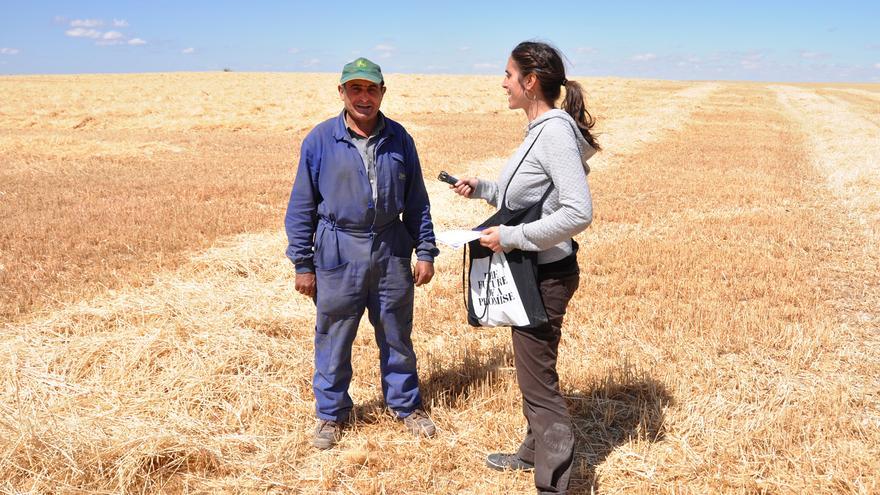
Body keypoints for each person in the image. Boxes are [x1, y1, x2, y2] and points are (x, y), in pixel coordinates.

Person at [451, 41, 599, 494]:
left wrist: (511, 237)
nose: (503, 82)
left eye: (509, 75)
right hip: (533, 271)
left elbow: (578, 212)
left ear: (530, 81)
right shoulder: (540, 130)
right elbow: (532, 199)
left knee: (539, 384)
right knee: (533, 371)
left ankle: (552, 485)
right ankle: (531, 453)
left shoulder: (552, 132)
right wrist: (483, 189)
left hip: (544, 274)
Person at [285, 57, 439, 450]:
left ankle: (406, 405)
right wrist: (303, 263)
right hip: (337, 252)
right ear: (342, 93)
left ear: (383, 92)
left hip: (390, 249)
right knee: (334, 336)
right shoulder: (320, 141)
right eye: (356, 89)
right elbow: (302, 206)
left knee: (396, 333)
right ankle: (331, 415)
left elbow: (417, 201)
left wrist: (425, 250)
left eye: (371, 89)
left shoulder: (400, 139)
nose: (364, 97)